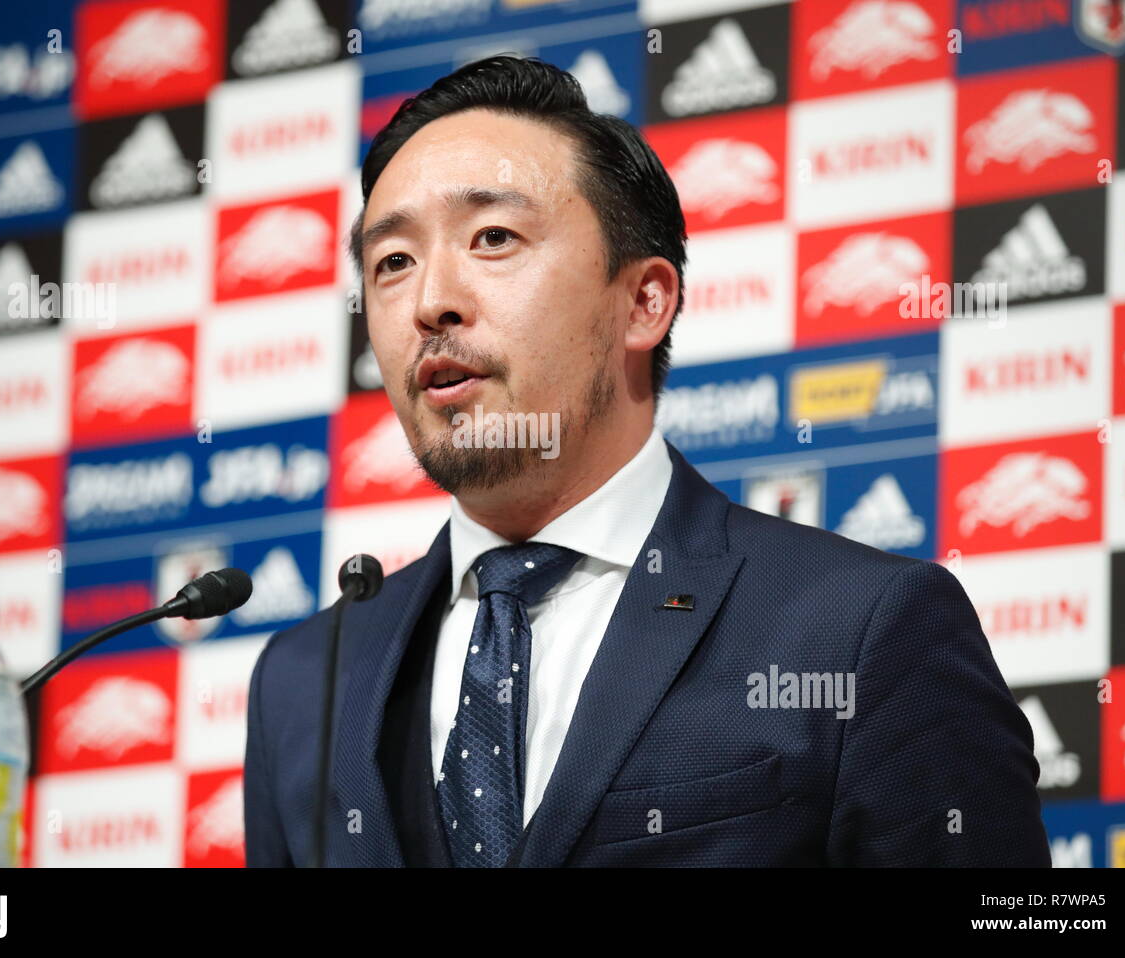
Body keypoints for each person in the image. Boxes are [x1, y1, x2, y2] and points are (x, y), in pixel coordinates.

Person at [243, 55, 1050, 867]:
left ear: (643, 302)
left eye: (493, 237)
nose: (428, 302)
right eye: (393, 262)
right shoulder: (304, 680)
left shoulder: (859, 630)